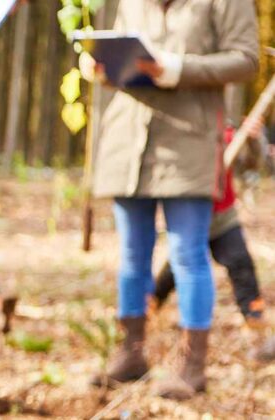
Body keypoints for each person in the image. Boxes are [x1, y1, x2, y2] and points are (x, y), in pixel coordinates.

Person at [81, 0, 258, 400]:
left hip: (189, 141)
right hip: (129, 141)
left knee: (188, 252)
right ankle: (131, 352)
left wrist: (176, 68)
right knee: (131, 253)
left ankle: (191, 365)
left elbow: (246, 60)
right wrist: (103, 69)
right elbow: (123, 48)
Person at [152, 123, 275, 362]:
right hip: (191, 218)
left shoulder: (227, 133)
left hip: (223, 218)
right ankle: (150, 305)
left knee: (241, 264)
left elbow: (251, 164)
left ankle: (254, 315)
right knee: (176, 268)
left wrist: (251, 140)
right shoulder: (179, 134)